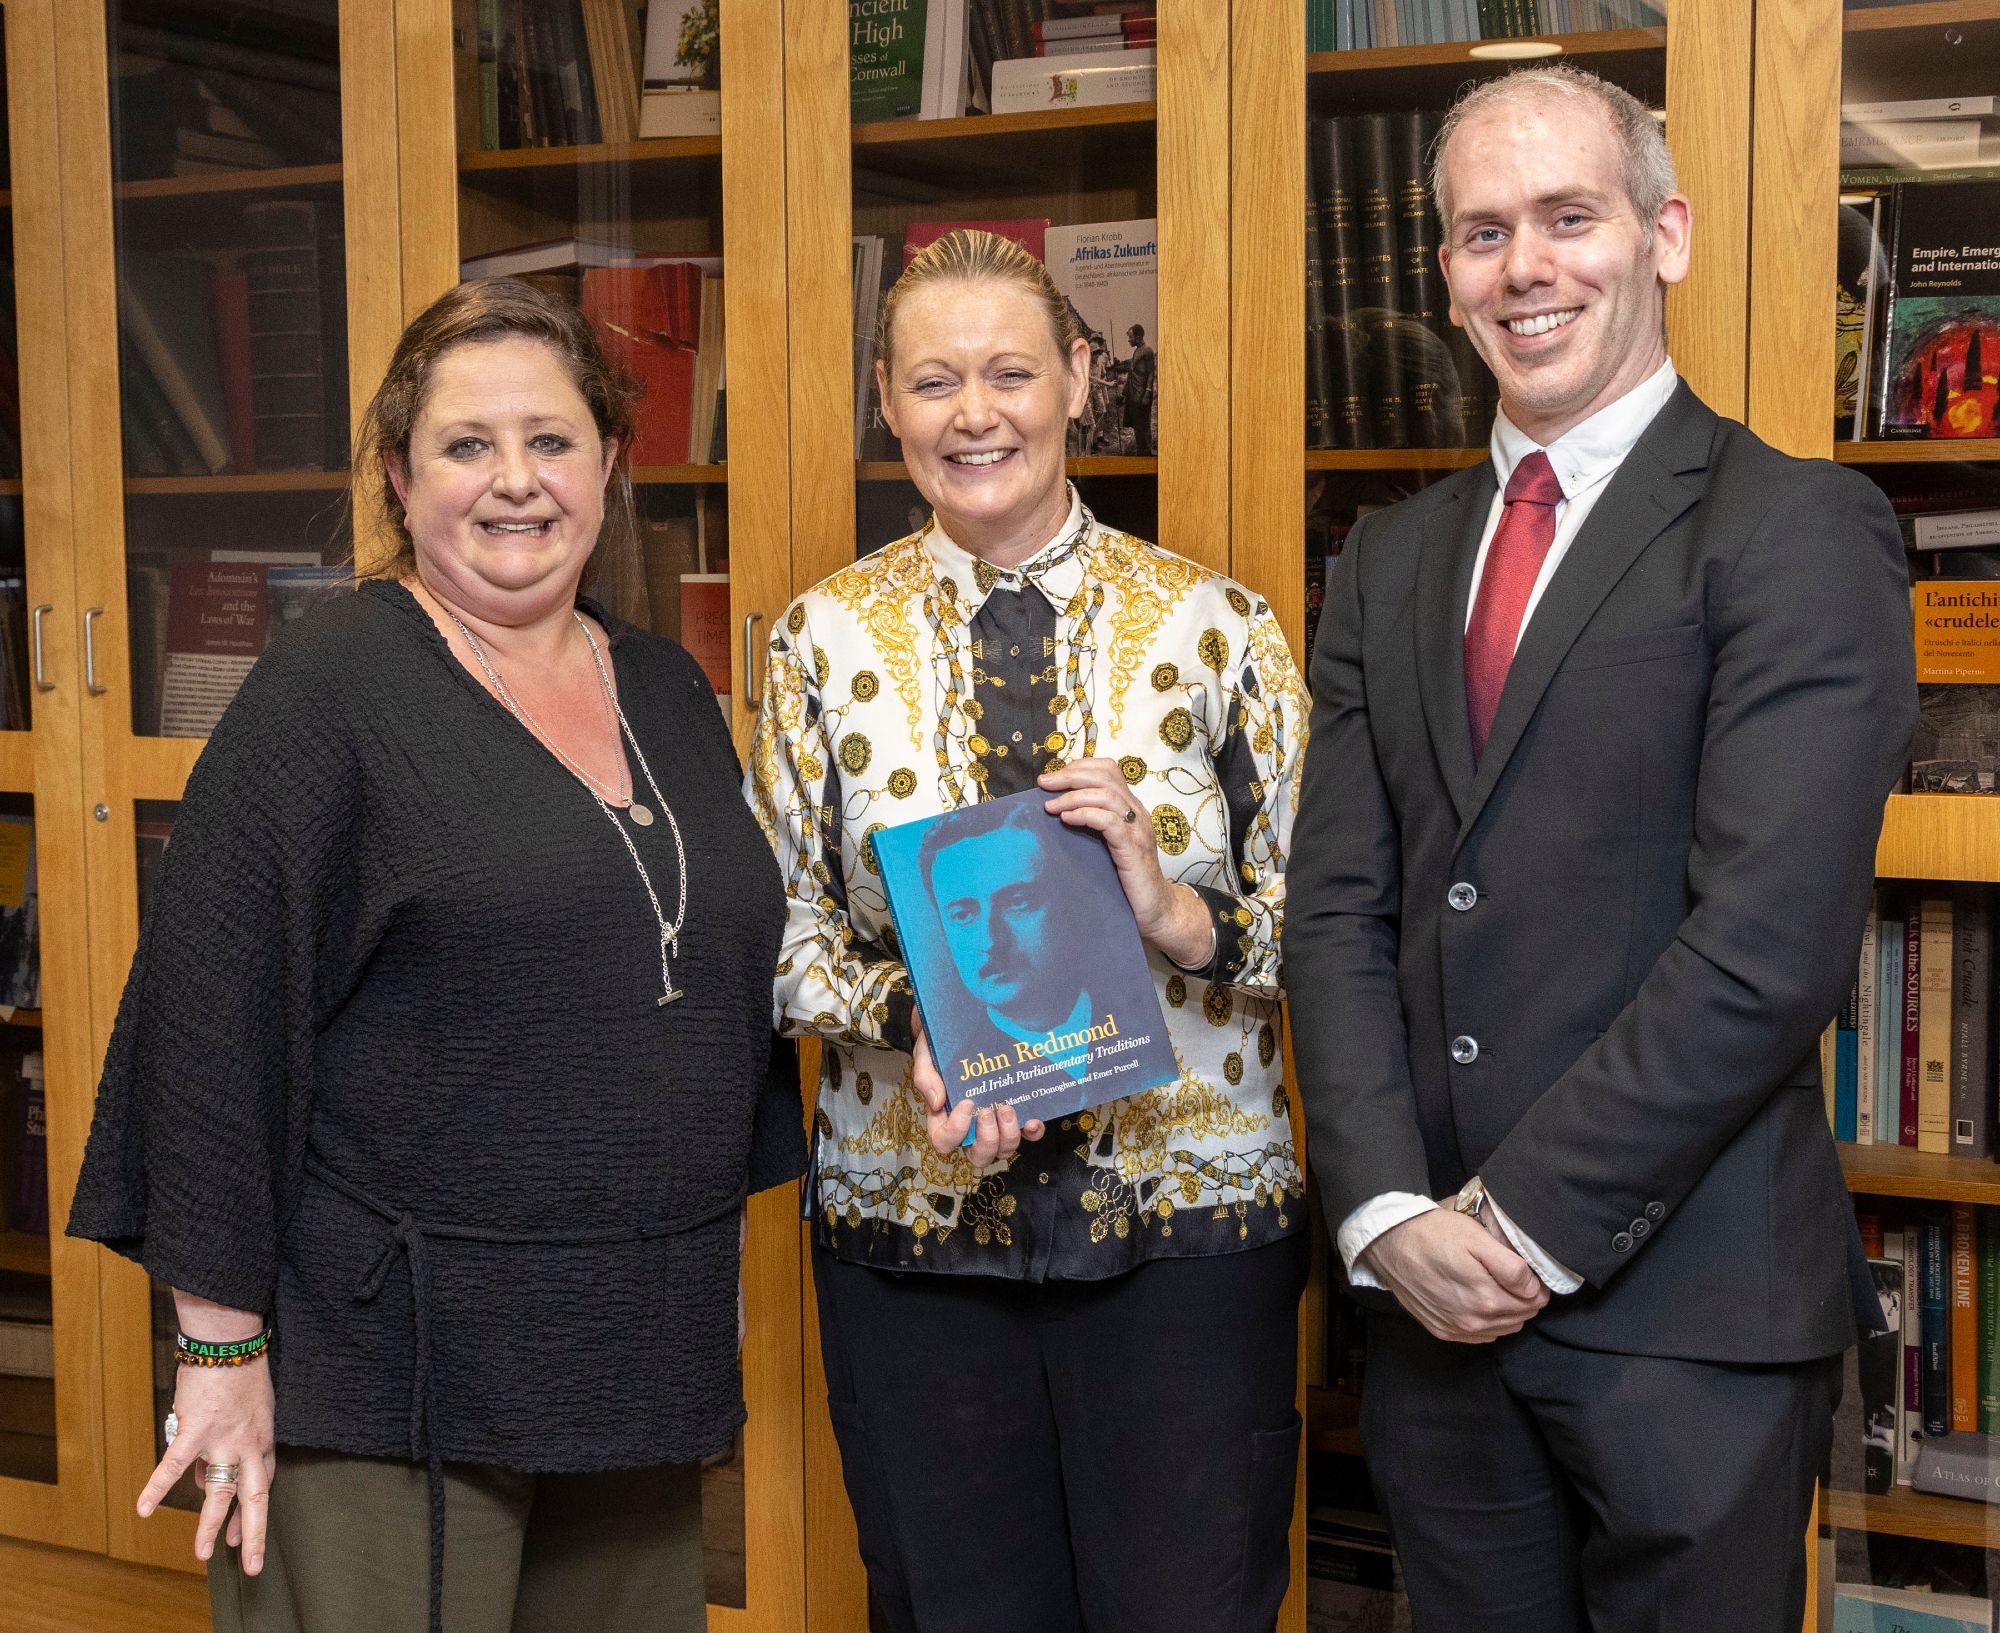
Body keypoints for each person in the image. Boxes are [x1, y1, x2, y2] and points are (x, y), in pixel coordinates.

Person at [66, 278, 803, 1633]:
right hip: (388, 1366)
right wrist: (218, 1348)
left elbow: (712, 978)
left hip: (626, 1353)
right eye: (467, 445)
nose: (514, 481)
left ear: (611, 464)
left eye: (551, 439)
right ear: (401, 480)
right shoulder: (330, 688)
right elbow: (211, 1028)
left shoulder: (666, 688)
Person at [1284, 64, 1917, 1630]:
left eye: (1571, 218)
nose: (1526, 268)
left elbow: (1767, 950)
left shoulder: (1795, 530)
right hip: (1432, 1316)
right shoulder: (1388, 558)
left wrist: (1516, 1225)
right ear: (1444, 271)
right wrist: (1383, 1214)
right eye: (1481, 233)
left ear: (1666, 235)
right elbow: (1338, 911)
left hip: (1687, 1319)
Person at [748, 228, 1309, 1633]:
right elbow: (775, 931)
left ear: (1078, 377)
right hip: (916, 1234)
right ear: (887, 399)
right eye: (935, 381)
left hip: (1190, 1236)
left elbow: (1331, 927)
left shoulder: (1218, 626)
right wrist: (914, 1015)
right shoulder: (819, 640)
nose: (974, 413)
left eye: (1009, 371)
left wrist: (1174, 909)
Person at [1122, 322, 1157, 456]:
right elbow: (1132, 373)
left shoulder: (1147, 351)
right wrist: (1124, 392)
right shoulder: (1137, 351)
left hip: (1142, 395)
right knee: (1137, 425)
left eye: (1130, 337)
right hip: (1134, 395)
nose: (1129, 340)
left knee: (1143, 425)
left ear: (1138, 336)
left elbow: (1150, 373)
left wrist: (1148, 393)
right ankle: (1141, 453)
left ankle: (1146, 454)